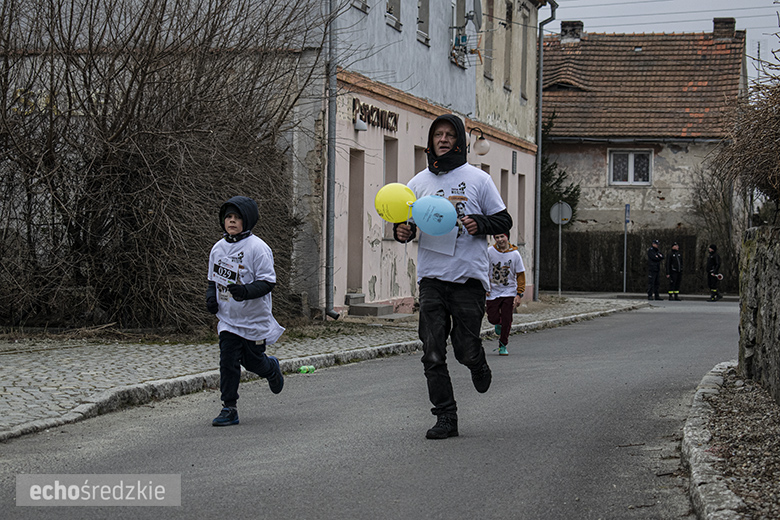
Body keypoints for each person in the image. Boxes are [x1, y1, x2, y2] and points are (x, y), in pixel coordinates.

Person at [394, 114, 512, 440]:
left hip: (468, 278)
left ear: (459, 141)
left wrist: (480, 224)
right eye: (437, 135)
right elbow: (408, 224)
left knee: (463, 348)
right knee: (432, 351)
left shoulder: (478, 180)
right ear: (430, 141)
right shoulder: (417, 184)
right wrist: (401, 231)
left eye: (449, 135)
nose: (443, 140)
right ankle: (446, 416)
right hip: (431, 277)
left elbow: (504, 220)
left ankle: (476, 361)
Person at [206, 196, 285, 426]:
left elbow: (268, 282)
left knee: (253, 363)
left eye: (237, 217)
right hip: (229, 320)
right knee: (227, 361)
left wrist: (245, 291)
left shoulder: (258, 248)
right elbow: (212, 280)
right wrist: (211, 299)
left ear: (247, 221)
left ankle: (271, 368)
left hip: (253, 319)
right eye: (228, 217)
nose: (232, 221)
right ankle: (229, 408)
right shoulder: (218, 249)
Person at [486, 232, 526, 356]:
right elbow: (483, 269)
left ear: (507, 237)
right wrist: (486, 285)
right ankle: (497, 323)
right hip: (493, 291)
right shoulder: (489, 252)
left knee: (507, 319)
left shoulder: (515, 254)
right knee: (492, 317)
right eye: (496, 237)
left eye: (502, 237)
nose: (500, 240)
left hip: (509, 291)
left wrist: (519, 294)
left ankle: (503, 344)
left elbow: (520, 275)